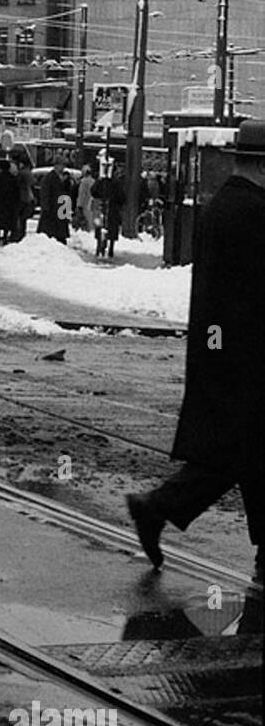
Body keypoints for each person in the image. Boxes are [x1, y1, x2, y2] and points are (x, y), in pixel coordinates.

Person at [126, 119, 265, 580]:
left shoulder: (226, 205)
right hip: (244, 354)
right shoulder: (251, 214)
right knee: (240, 450)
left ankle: (157, 507)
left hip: (224, 347)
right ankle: (156, 506)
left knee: (236, 453)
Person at [37, 156, 72, 244]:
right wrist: (46, 207)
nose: (63, 167)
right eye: (62, 165)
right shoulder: (49, 177)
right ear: (56, 165)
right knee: (51, 234)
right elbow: (45, 193)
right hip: (52, 210)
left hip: (61, 209)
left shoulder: (63, 178)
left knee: (60, 234)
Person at [0, 158, 19, 245]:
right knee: (7, 221)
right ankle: (6, 237)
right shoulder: (13, 178)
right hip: (9, 203)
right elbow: (16, 191)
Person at [13, 153, 35, 242]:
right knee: (23, 219)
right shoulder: (29, 172)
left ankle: (18, 235)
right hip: (29, 198)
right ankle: (22, 233)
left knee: (19, 217)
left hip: (22, 197)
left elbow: (17, 185)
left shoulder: (22, 173)